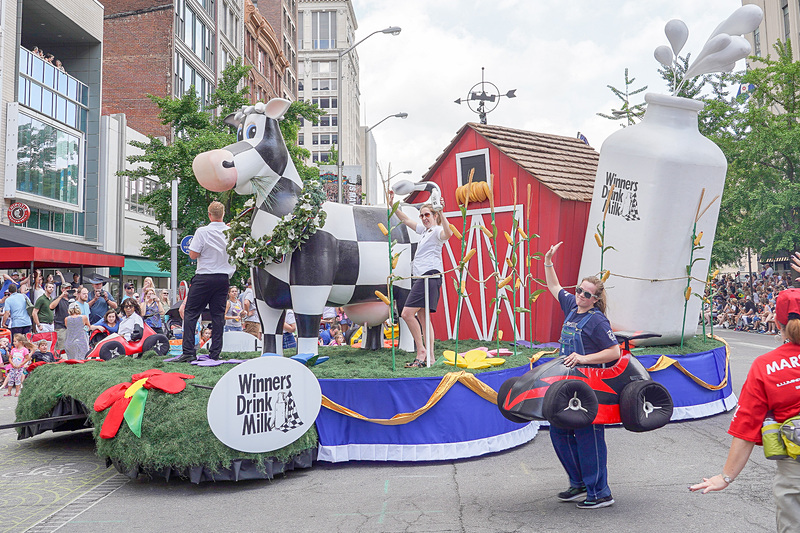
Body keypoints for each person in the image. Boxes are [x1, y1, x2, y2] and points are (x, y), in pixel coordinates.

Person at [691, 288, 800, 532]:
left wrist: (726, 477)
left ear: (778, 322)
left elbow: (746, 426)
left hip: (796, 470)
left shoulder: (766, 366)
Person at [542, 241, 621, 509]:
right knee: (559, 431)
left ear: (595, 299)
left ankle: (600, 492)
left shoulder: (597, 320)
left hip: (590, 387)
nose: (580, 296)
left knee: (589, 437)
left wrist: (584, 358)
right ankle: (578, 483)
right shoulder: (572, 307)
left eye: (587, 295)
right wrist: (548, 262)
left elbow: (614, 352)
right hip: (566, 386)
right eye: (578, 291)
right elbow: (554, 287)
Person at [388, 190, 453, 367]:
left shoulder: (437, 230)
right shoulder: (425, 231)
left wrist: (442, 213)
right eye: (422, 215)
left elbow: (448, 234)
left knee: (406, 313)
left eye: (427, 215)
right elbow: (405, 220)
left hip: (429, 276)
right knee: (423, 318)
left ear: (434, 216)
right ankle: (430, 357)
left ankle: (421, 351)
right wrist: (392, 204)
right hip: (421, 277)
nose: (424, 218)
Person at [177, 201, 234, 362]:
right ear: (223, 215)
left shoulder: (202, 231)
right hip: (223, 278)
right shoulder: (231, 232)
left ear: (209, 215)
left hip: (204, 276)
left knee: (191, 313)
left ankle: (188, 351)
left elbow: (193, 255)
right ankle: (215, 353)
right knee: (218, 316)